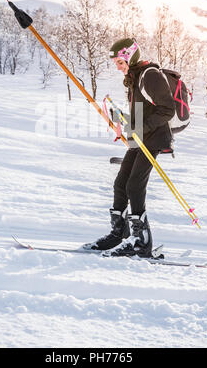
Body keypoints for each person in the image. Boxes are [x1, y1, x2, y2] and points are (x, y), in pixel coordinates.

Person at [84, 38, 176, 257]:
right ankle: (119, 234)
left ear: (131, 56)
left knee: (134, 185)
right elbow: (141, 114)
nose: (118, 66)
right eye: (116, 62)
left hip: (153, 138)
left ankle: (141, 243)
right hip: (141, 137)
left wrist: (141, 127)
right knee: (121, 183)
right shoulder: (134, 79)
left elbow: (167, 110)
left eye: (120, 61)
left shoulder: (149, 75)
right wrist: (120, 118)